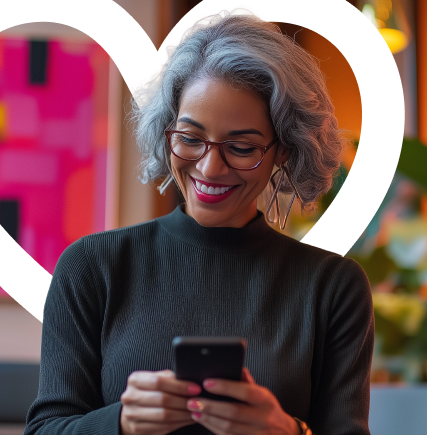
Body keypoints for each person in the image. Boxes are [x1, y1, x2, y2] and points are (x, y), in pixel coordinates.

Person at [24, 12, 373, 435]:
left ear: (283, 149)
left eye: (241, 147)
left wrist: (287, 431)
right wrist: (120, 422)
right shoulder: (92, 267)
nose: (210, 168)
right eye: (190, 139)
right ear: (167, 130)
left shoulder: (332, 287)